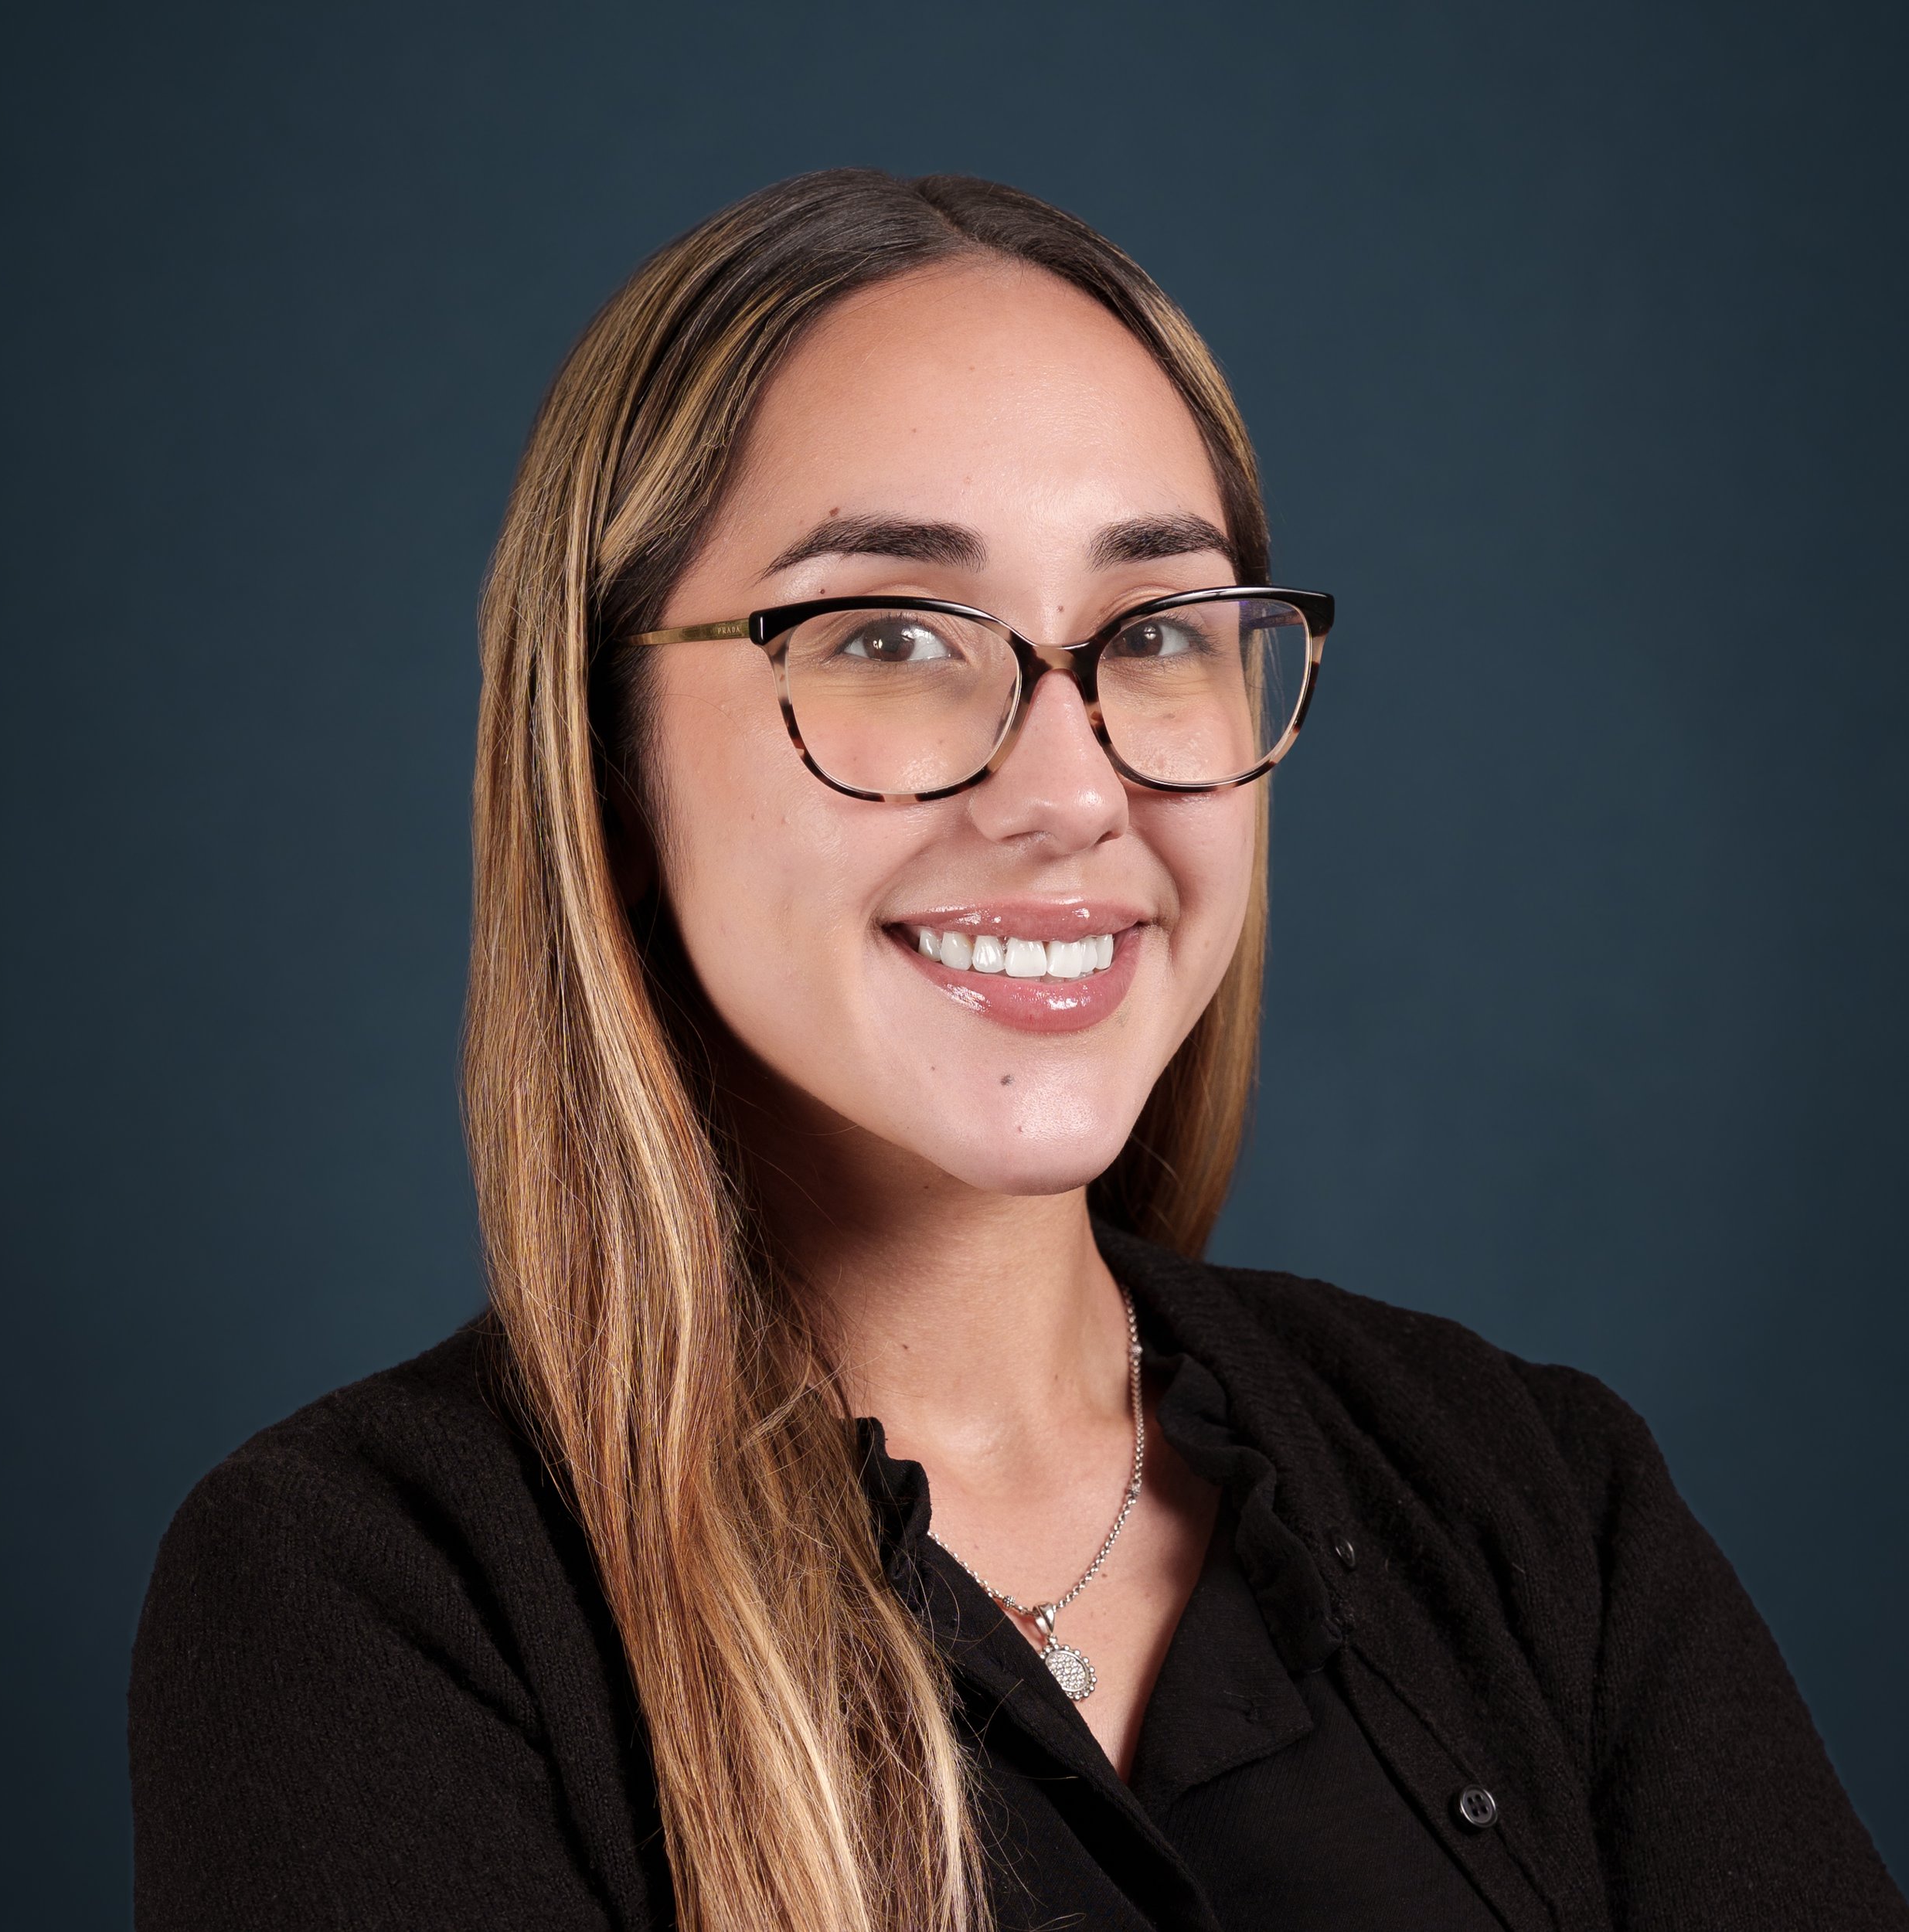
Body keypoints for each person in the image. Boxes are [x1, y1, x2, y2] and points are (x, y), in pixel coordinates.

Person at [128, 169, 1907, 1932]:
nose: (1069, 790)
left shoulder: (1535, 1498)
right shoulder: (370, 1594)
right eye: (889, 635)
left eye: (1158, 634)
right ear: (608, 752)